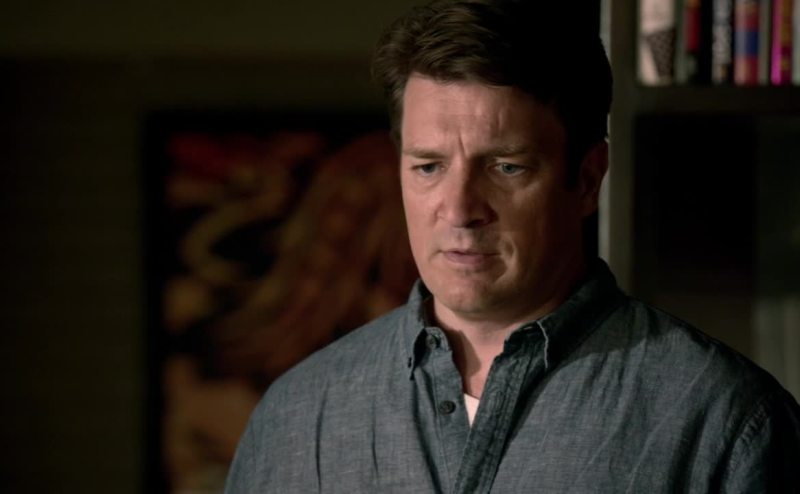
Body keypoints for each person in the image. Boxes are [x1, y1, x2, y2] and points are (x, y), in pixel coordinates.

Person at [225, 0, 800, 492]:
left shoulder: (721, 418)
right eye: (428, 167)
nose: (459, 210)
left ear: (587, 179)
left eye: (505, 167)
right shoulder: (297, 416)